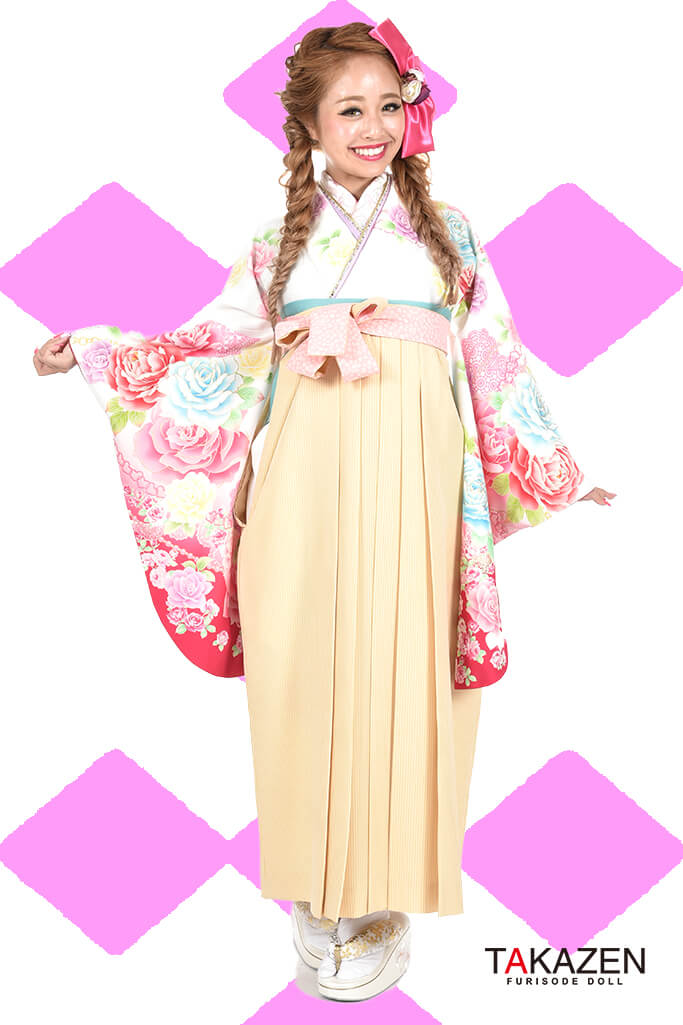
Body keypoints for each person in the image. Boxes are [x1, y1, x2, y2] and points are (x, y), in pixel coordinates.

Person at [33, 18, 615, 1003]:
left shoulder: (447, 231)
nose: (373, 126)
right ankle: (313, 882)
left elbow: (494, 354)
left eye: (388, 106)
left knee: (406, 662)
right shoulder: (277, 246)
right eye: (349, 109)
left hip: (416, 470)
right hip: (302, 469)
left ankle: (384, 891)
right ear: (306, 125)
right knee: (301, 662)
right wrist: (96, 350)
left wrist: (553, 467)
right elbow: (209, 348)